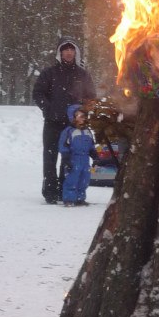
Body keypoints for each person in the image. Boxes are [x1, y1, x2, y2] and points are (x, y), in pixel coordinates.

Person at [32, 38, 96, 204]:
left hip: (72, 126)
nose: (68, 52)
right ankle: (50, 192)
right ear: (60, 53)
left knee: (69, 158)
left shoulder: (83, 75)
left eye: (71, 49)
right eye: (65, 49)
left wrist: (82, 112)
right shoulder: (49, 73)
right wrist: (49, 108)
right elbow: (38, 93)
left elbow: (91, 97)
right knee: (50, 157)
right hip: (53, 123)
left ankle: (65, 190)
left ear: (75, 52)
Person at [58, 104, 98, 206]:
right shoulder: (68, 131)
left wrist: (95, 155)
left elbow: (91, 145)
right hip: (73, 159)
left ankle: (80, 198)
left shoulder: (87, 131)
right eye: (79, 116)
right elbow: (63, 146)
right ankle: (69, 199)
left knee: (84, 179)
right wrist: (66, 158)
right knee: (72, 179)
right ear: (73, 118)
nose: (83, 118)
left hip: (85, 159)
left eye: (84, 116)